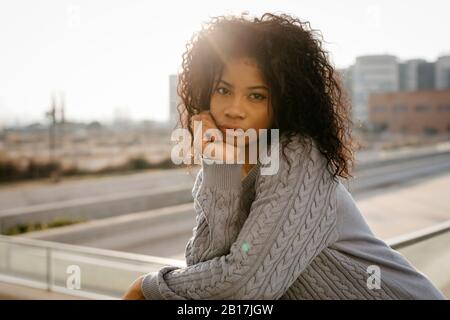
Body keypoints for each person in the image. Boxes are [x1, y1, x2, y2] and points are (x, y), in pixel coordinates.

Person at [123, 12, 445, 300]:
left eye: (256, 96)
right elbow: (206, 266)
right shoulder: (224, 163)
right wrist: (221, 167)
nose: (235, 110)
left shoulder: (295, 157)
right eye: (223, 90)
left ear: (284, 102)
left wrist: (147, 288)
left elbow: (246, 288)